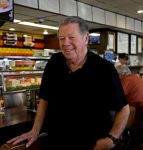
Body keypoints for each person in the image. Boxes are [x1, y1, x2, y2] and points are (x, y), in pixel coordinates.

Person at [7, 16, 130, 150]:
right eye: (61, 38)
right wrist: (35, 130)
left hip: (91, 145)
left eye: (71, 37)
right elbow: (44, 100)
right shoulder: (54, 62)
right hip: (55, 142)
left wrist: (111, 140)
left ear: (86, 38)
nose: (65, 43)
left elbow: (123, 109)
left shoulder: (104, 69)